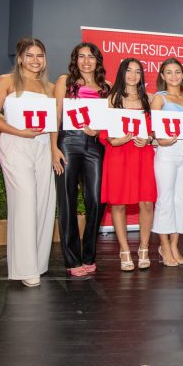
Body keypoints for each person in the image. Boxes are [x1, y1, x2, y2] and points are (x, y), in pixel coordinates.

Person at [0, 38, 56, 288]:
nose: (35, 60)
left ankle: (38, 262)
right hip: (16, 144)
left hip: (44, 145)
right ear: (20, 58)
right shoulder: (5, 81)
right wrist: (19, 132)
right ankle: (25, 268)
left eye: (40, 55)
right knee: (24, 202)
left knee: (43, 203)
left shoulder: (50, 87)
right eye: (30, 55)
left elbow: (57, 121)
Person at [51, 42, 110, 278]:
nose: (86, 61)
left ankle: (89, 254)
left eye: (91, 57)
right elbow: (55, 115)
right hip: (68, 142)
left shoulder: (106, 87)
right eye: (81, 56)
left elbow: (109, 119)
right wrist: (53, 147)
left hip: (95, 147)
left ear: (98, 61)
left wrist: (98, 129)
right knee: (67, 201)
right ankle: (72, 258)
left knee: (96, 200)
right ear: (75, 59)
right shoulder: (65, 81)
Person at [99, 58, 156, 272]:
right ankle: (124, 251)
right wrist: (115, 140)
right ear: (122, 73)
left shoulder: (148, 99)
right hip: (118, 155)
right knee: (118, 203)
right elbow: (106, 132)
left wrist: (148, 139)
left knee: (146, 202)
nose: (133, 75)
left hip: (142, 154)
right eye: (129, 71)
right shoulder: (111, 99)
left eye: (137, 71)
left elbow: (153, 131)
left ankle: (143, 248)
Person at [151, 58, 183, 267]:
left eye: (177, 71)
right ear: (162, 76)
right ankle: (164, 246)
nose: (173, 76)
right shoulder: (159, 99)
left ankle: (175, 244)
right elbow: (154, 129)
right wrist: (162, 139)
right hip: (167, 150)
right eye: (168, 72)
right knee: (165, 198)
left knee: (181, 199)